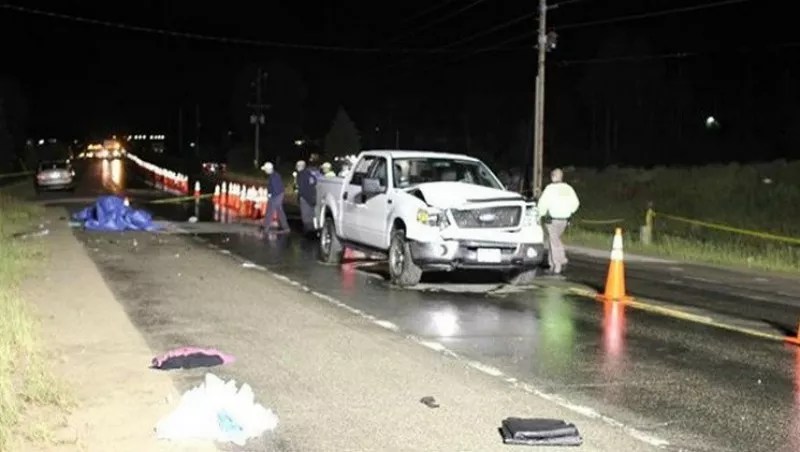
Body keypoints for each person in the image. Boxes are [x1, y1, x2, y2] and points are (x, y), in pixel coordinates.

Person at [537, 168, 580, 276]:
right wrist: (569, 211)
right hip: (564, 219)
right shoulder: (568, 188)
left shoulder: (550, 189)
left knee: (554, 241)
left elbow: (543, 203)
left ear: (553, 177)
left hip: (552, 219)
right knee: (554, 240)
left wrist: (539, 215)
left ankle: (559, 263)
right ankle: (551, 264)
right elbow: (576, 203)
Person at [261, 162, 290, 234]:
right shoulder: (275, 175)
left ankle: (265, 228)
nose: (265, 171)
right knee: (280, 212)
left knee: (270, 211)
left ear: (268, 169)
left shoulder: (273, 177)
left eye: (265, 169)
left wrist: (270, 196)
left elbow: (275, 189)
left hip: (276, 196)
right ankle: (286, 228)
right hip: (279, 195)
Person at [295, 160, 317, 233]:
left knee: (306, 215)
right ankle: (314, 229)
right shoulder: (310, 174)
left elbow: (301, 188)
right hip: (312, 197)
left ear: (301, 166)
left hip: (305, 198)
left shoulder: (300, 175)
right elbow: (314, 182)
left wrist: (299, 197)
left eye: (297, 166)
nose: (296, 167)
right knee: (312, 214)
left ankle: (308, 231)